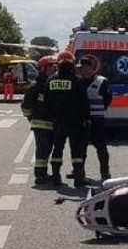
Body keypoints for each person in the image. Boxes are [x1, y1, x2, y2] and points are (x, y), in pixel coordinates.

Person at [43, 51, 90, 187]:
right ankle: (78, 179)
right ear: (72, 65)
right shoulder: (77, 81)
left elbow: (46, 101)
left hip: (57, 121)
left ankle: (56, 177)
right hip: (75, 122)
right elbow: (84, 103)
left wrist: (52, 116)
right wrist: (86, 119)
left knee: (57, 149)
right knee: (76, 151)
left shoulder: (51, 80)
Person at [21, 55, 58, 186]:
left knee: (48, 150)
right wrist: (32, 118)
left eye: (55, 67)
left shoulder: (53, 83)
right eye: (51, 67)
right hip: (41, 124)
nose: (54, 69)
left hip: (53, 123)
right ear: (43, 68)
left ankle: (44, 173)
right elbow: (26, 106)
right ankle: (40, 176)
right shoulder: (36, 85)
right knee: (42, 149)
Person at [77, 55, 112, 183]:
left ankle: (105, 172)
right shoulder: (78, 82)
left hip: (97, 119)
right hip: (82, 120)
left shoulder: (101, 81)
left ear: (91, 68)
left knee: (101, 147)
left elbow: (107, 99)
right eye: (80, 68)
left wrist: (98, 110)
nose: (82, 71)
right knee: (81, 148)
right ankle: (79, 172)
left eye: (84, 68)